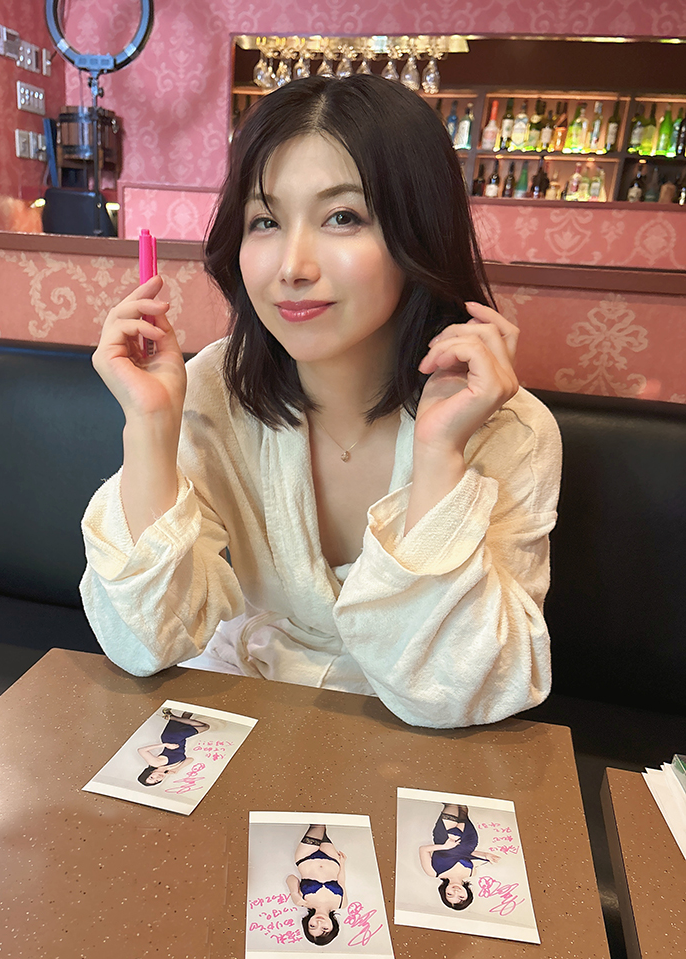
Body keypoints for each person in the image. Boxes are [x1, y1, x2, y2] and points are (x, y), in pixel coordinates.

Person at [80, 74, 561, 729]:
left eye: (343, 217)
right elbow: (143, 642)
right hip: (248, 710)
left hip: (410, 742)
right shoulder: (217, 387)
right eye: (265, 221)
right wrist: (150, 424)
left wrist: (439, 456)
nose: (292, 266)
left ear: (418, 233)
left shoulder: (511, 431)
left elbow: (456, 694)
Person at [418, 802, 501, 909]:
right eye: (461, 896)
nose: (456, 891)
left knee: (452, 804)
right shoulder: (472, 873)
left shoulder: (433, 872)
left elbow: (423, 850)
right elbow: (467, 854)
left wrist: (444, 846)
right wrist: (485, 855)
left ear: (444, 891)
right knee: (463, 808)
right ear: (467, 894)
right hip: (469, 839)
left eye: (450, 894)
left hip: (446, 836)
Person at [286, 823, 347, 945]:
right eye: (324, 928)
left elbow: (290, 878)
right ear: (333, 927)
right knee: (321, 824)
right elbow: (341, 882)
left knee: (319, 825)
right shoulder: (341, 904)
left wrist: (294, 894)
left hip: (305, 856)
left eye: (312, 926)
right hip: (332, 858)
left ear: (307, 923)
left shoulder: (302, 902)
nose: (319, 923)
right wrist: (342, 864)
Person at [136, 708, 209, 787]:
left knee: (205, 727)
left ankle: (172, 717)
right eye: (157, 781)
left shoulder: (156, 763)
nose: (158, 778)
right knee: (185, 718)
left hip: (173, 738)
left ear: (149, 773)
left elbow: (141, 750)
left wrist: (165, 745)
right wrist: (177, 769)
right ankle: (172, 716)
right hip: (178, 738)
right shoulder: (170, 769)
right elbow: (190, 759)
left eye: (152, 777)